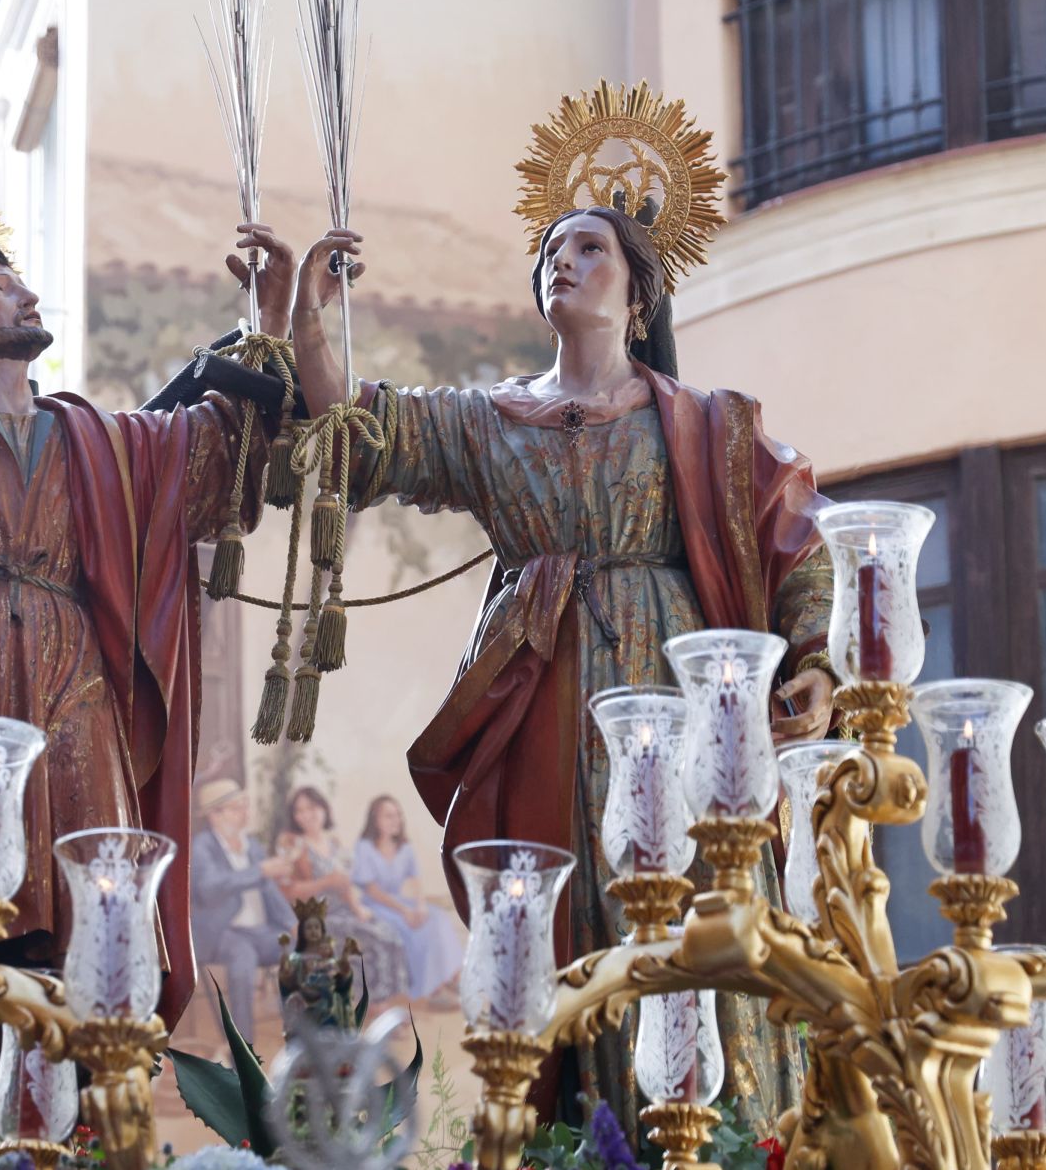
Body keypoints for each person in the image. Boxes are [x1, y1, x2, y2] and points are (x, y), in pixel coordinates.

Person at [286, 88, 835, 1134]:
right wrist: (305, 314)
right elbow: (359, 430)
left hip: (679, 693)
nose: (563, 261)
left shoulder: (707, 426)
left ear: (637, 296)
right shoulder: (491, 420)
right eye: (551, 251)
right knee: (560, 917)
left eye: (589, 248)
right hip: (545, 697)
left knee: (695, 903)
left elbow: (796, 531)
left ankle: (723, 1136)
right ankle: (587, 1143)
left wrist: (811, 655)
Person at [0, 212, 302, 1130]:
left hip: (70, 684)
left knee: (91, 901)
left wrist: (268, 320)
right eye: (1, 287)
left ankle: (77, 1125)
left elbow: (214, 448)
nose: (27, 296)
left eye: (23, 285)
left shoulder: (102, 441)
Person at [272, 787, 410, 1005]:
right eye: (299, 811)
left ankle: (381, 1002)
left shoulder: (333, 842)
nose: (307, 815)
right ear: (294, 817)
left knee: (390, 934)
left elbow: (344, 883)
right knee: (377, 939)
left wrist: (357, 909)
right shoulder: (291, 842)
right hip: (315, 918)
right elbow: (286, 891)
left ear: (323, 808)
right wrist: (326, 882)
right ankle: (377, 1006)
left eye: (312, 807)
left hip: (342, 911)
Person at [189, 779, 296, 1042]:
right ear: (215, 815)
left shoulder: (251, 845)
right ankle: (243, 1049)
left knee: (297, 950)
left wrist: (293, 923)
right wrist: (259, 871)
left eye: (244, 806)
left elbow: (269, 890)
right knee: (242, 956)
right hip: (223, 933)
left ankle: (301, 1040)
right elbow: (209, 889)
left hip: (260, 932)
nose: (245, 814)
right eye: (236, 808)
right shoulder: (203, 847)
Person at [351, 795, 464, 1003]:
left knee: (437, 918)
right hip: (377, 905)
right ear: (375, 819)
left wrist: (420, 906)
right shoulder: (364, 847)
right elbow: (372, 890)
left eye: (398, 815)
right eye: (389, 816)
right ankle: (432, 988)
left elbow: (416, 880)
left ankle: (451, 977)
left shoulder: (404, 847)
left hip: (400, 901)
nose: (396, 820)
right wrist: (405, 911)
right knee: (412, 929)